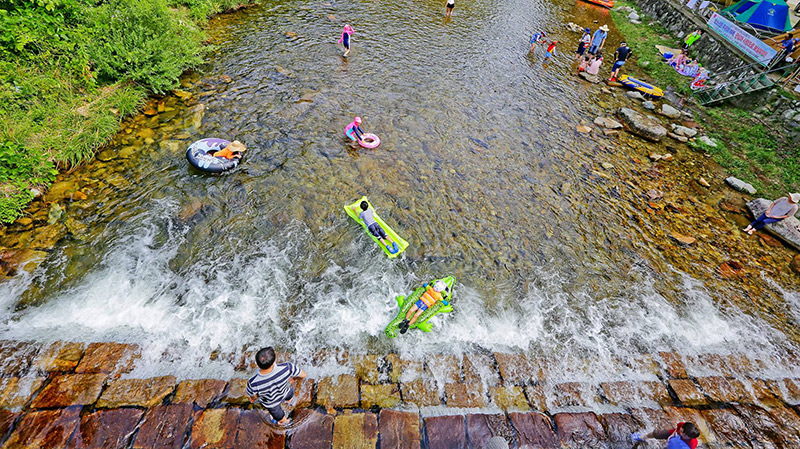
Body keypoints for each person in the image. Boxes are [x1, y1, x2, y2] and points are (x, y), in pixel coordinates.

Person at [247, 347, 307, 426]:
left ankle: (285, 422)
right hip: (286, 392)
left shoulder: (253, 382)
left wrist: (254, 398)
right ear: (273, 361)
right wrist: (294, 378)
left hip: (272, 404)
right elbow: (303, 375)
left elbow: (253, 397)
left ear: (257, 364)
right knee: (289, 394)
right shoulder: (287, 367)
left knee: (279, 416)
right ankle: (289, 402)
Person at [632, 422, 701, 449]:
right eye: (682, 431)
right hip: (673, 434)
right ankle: (643, 437)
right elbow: (677, 427)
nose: (682, 434)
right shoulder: (682, 424)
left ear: (690, 437)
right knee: (656, 433)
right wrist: (673, 434)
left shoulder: (692, 443)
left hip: (678, 444)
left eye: (685, 435)